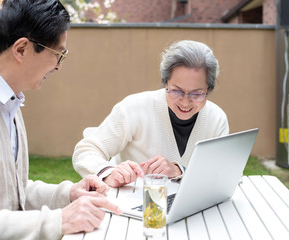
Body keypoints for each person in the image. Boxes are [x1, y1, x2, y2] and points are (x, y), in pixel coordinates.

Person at [0, 0, 121, 239]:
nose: (58, 66)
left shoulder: (7, 100)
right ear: (21, 49)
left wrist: (67, 195)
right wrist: (56, 221)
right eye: (57, 54)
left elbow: (7, 193)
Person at [73, 40, 229, 188]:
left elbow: (223, 174)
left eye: (197, 93)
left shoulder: (216, 119)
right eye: (176, 91)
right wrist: (108, 173)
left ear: (208, 89)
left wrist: (179, 171)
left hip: (193, 208)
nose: (185, 102)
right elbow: (85, 150)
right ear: (165, 82)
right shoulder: (134, 108)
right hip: (131, 205)